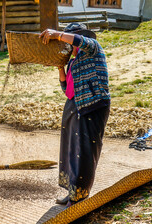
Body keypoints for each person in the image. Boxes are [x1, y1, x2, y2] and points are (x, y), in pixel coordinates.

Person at [39, 23, 111, 208]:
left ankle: (79, 196)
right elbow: (66, 89)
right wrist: (60, 67)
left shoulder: (93, 48)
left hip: (92, 106)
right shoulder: (73, 61)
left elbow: (82, 41)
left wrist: (57, 34)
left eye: (68, 42)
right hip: (74, 106)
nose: (66, 46)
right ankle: (72, 192)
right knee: (71, 150)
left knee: (85, 152)